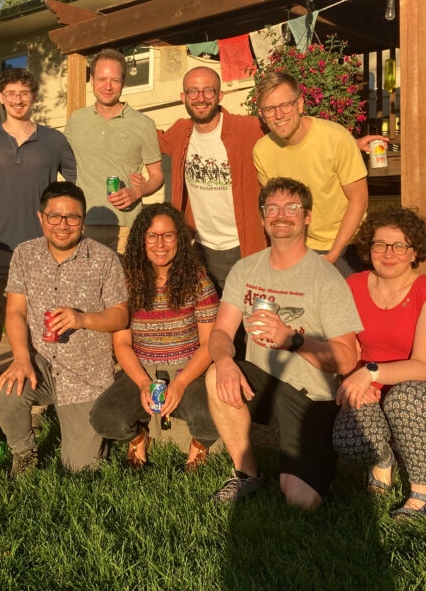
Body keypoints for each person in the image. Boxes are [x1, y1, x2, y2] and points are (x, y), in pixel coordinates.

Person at [205, 177, 361, 510]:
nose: (281, 215)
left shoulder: (326, 278)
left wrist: (291, 339)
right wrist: (224, 362)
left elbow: (347, 359)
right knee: (215, 374)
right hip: (262, 381)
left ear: (307, 217)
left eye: (292, 207)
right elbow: (220, 333)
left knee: (301, 501)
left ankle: (314, 463)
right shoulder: (246, 269)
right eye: (272, 208)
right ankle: (246, 474)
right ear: (262, 218)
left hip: (312, 398)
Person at [333, 205, 426, 520]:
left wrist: (370, 372)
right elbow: (346, 349)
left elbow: (423, 365)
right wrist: (355, 379)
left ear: (414, 251)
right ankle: (383, 459)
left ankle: (422, 494)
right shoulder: (353, 286)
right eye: (379, 244)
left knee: (407, 396)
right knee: (347, 439)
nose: (388, 253)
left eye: (399, 246)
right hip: (373, 388)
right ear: (369, 248)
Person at [0, 67, 76, 436]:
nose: (17, 99)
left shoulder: (54, 141)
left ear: (33, 97)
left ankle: (38, 400)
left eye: (24, 93)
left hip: (39, 250)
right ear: (0, 97)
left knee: (41, 331)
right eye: (10, 93)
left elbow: (78, 186)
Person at [0, 181, 129, 475]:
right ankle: (24, 452)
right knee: (9, 390)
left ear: (83, 221)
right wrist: (20, 359)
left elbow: (120, 316)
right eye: (54, 216)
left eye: (73, 217)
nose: (63, 225)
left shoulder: (105, 259)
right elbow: (15, 311)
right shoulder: (24, 254)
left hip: (87, 372)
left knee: (80, 468)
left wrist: (83, 319)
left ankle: (94, 431)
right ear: (40, 217)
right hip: (41, 363)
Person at [89, 204, 220, 471]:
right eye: (152, 236)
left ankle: (198, 446)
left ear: (180, 240)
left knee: (211, 416)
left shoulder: (199, 281)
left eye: (168, 236)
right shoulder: (127, 281)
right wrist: (141, 383)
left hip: (190, 370)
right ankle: (139, 439)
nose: (160, 243)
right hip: (144, 369)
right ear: (142, 240)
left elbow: (209, 344)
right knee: (103, 417)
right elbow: (122, 343)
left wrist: (181, 383)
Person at [154, 66, 266, 292]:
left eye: (208, 91)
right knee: (212, 321)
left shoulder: (248, 128)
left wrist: (348, 143)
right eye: (193, 92)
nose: (200, 98)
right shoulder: (180, 132)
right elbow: (145, 137)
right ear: (183, 97)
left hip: (245, 246)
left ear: (220, 95)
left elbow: (289, 131)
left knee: (254, 318)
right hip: (202, 249)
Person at [252, 71, 369, 277]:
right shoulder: (262, 150)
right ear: (261, 114)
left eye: (285, 105)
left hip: (347, 246)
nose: (279, 115)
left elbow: (359, 199)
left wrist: (333, 254)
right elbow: (276, 208)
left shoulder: (336, 138)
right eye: (270, 109)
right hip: (298, 248)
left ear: (299, 104)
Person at [64, 48, 163, 254]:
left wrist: (137, 191)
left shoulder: (143, 124)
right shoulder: (77, 120)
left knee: (124, 285)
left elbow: (157, 176)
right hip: (83, 224)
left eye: (115, 80)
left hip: (126, 226)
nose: (107, 86)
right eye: (101, 79)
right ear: (91, 79)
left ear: (123, 83)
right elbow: (64, 163)